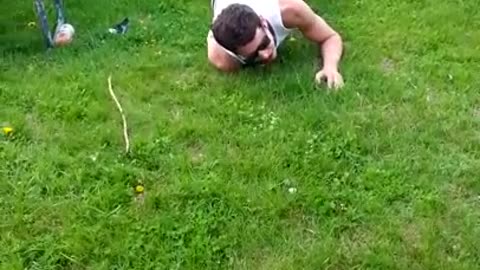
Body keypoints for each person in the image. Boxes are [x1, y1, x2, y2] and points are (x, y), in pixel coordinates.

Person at [207, 0, 345, 90]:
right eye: (253, 56)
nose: (266, 55)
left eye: (264, 43)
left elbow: (330, 36)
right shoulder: (222, 58)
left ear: (263, 22)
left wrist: (330, 67)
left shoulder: (290, 10)